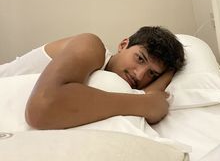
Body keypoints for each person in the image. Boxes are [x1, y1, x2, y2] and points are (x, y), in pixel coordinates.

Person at [1, 26, 185, 130]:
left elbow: (148, 96)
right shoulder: (91, 46)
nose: (139, 74)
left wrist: (169, 72)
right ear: (123, 45)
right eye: (139, 58)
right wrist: (143, 104)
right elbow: (41, 109)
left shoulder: (115, 84)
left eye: (152, 74)